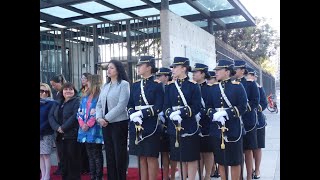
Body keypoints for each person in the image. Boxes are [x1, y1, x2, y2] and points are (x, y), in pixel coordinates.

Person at [206, 59, 247, 180]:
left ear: (227, 71)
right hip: (217, 128)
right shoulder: (213, 88)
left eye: (219, 70)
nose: (216, 72)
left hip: (233, 128)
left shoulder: (237, 87)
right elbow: (207, 107)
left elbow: (243, 107)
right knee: (221, 160)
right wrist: (214, 114)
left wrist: (226, 113)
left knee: (234, 160)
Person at [163, 57, 201, 180]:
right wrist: (171, 114)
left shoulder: (193, 86)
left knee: (190, 156)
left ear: (184, 68)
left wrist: (181, 112)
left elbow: (196, 106)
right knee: (179, 156)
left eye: (175, 67)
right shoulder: (170, 86)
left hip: (189, 125)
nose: (172, 69)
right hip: (174, 126)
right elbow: (165, 106)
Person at [127, 56, 164, 180]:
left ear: (149, 67)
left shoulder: (157, 85)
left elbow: (159, 106)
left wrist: (142, 114)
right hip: (136, 123)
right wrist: (132, 114)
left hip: (150, 123)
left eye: (140, 65)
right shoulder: (136, 85)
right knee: (140, 156)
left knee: (151, 156)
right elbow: (130, 103)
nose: (138, 68)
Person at [96, 59, 131, 180]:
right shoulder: (105, 86)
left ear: (118, 70)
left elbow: (122, 105)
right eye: (108, 68)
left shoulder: (124, 84)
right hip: (105, 124)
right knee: (109, 153)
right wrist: (99, 118)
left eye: (111, 68)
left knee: (119, 154)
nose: (108, 70)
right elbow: (99, 104)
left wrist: (106, 118)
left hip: (119, 123)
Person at [49, 82, 81, 180]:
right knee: (63, 160)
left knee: (73, 160)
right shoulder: (58, 102)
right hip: (59, 135)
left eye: (70, 89)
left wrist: (63, 128)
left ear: (74, 91)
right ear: (62, 91)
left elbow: (75, 116)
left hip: (72, 135)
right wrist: (57, 128)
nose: (68, 91)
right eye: (66, 89)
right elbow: (50, 116)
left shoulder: (77, 101)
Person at [233, 61, 260, 180]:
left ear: (242, 71)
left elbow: (255, 102)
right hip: (235, 121)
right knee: (238, 151)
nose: (234, 71)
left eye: (236, 69)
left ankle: (249, 175)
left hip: (248, 121)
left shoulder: (250, 84)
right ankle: (239, 176)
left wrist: (241, 108)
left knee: (248, 150)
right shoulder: (231, 84)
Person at [77, 75, 104, 180]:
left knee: (97, 154)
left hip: (95, 129)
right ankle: (92, 176)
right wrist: (82, 123)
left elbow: (98, 111)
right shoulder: (85, 96)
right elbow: (79, 111)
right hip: (84, 129)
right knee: (90, 154)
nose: (85, 83)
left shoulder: (100, 96)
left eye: (87, 81)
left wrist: (88, 124)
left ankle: (98, 177)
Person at [191, 63, 215, 180]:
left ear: (203, 74)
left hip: (206, 122)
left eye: (196, 72)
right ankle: (200, 175)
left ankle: (207, 175)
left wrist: (202, 113)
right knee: (198, 152)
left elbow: (212, 105)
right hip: (193, 123)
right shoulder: (192, 87)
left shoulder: (210, 88)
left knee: (208, 151)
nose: (194, 74)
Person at [156, 67, 177, 180]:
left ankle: (172, 175)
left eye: (160, 76)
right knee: (164, 151)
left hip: (172, 121)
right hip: (162, 123)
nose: (158, 78)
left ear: (166, 76)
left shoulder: (171, 87)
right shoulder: (159, 87)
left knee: (173, 152)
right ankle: (165, 175)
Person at [247, 68, 268, 179]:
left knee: (257, 147)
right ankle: (249, 170)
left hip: (258, 121)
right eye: (248, 75)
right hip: (247, 122)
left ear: (255, 77)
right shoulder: (243, 86)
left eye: (251, 75)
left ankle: (257, 169)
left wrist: (254, 107)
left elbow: (264, 103)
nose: (249, 77)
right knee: (248, 148)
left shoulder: (259, 88)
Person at [49, 74, 67, 175]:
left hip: (63, 126)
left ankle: (64, 168)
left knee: (64, 150)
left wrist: (61, 127)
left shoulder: (65, 93)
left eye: (54, 84)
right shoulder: (57, 94)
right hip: (57, 126)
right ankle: (61, 167)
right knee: (59, 150)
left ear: (60, 83)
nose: (53, 87)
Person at [40, 83, 56, 180]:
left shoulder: (52, 103)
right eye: (41, 91)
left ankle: (47, 175)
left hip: (46, 132)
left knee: (46, 154)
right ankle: (43, 174)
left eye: (46, 91)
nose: (44, 93)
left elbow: (50, 118)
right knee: (40, 155)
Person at [206, 71, 220, 178]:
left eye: (211, 79)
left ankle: (217, 169)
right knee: (213, 147)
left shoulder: (217, 89)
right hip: (210, 122)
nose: (208, 81)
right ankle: (213, 169)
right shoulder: (208, 89)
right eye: (208, 79)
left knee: (217, 149)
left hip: (221, 122)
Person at [78, 72, 92, 175]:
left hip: (91, 122)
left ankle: (90, 169)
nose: (82, 80)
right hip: (81, 119)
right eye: (81, 78)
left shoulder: (93, 91)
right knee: (83, 148)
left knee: (93, 150)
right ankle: (83, 166)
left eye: (84, 78)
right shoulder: (81, 91)